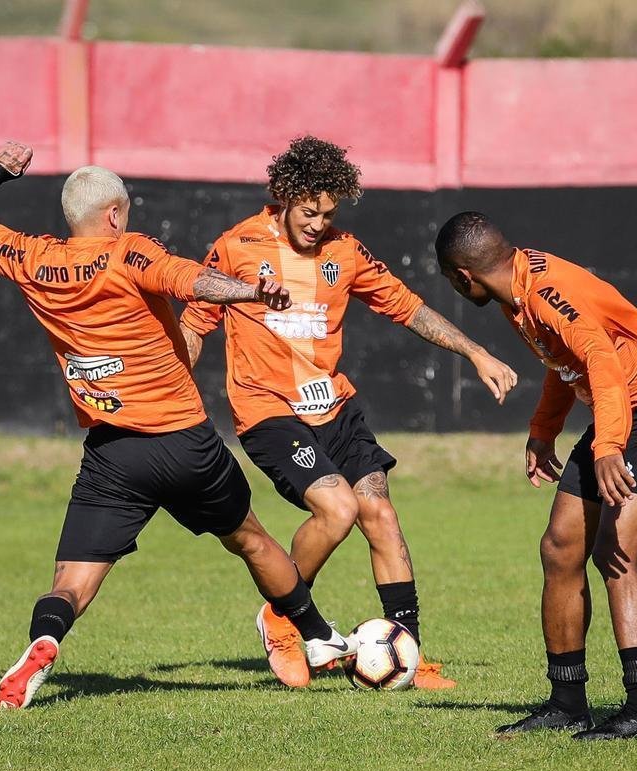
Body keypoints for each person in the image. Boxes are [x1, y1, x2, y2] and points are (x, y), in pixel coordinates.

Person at [0, 141, 357, 709]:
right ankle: (317, 634)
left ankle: (46, 639)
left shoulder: (31, 257)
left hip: (113, 452)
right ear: (114, 215)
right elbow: (192, 280)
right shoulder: (129, 251)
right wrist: (250, 291)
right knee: (251, 540)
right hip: (185, 443)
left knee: (71, 581)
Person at [179, 136, 518, 690]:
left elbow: (409, 309)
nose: (318, 224)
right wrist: (171, 398)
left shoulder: (347, 253)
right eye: (308, 212)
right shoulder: (236, 246)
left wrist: (475, 352)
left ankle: (408, 655)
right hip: (269, 412)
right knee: (337, 509)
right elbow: (194, 323)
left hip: (336, 408)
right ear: (283, 197)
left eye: (328, 214)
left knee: (379, 513)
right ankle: (281, 619)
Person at [434, 211, 637, 739]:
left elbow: (600, 360)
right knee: (561, 546)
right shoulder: (517, 294)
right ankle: (567, 703)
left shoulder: (545, 295)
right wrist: (544, 430)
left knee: (617, 550)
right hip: (624, 409)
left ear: (462, 276)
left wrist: (608, 446)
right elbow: (565, 364)